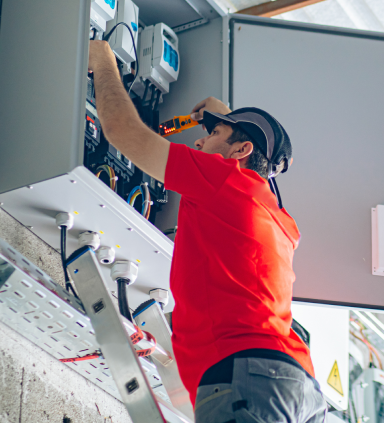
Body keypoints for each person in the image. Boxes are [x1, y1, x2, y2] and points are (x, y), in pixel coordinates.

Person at [88, 40, 327, 423]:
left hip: (250, 376)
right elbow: (252, 163)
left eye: (212, 136)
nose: (199, 140)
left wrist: (101, 58)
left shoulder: (225, 181)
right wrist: (223, 120)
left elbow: (119, 129)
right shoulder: (280, 220)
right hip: (296, 387)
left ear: (240, 151)